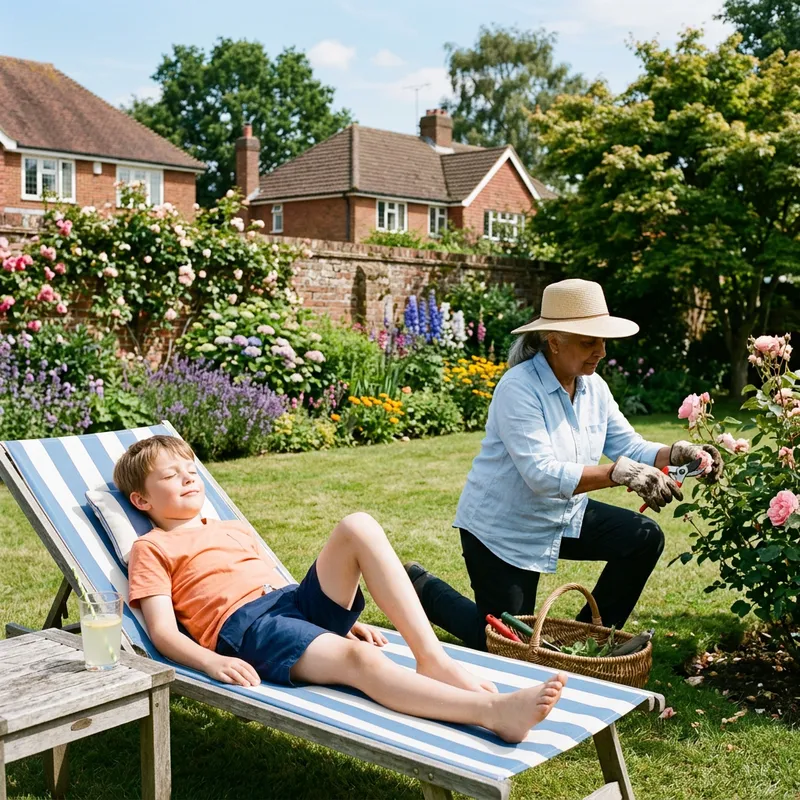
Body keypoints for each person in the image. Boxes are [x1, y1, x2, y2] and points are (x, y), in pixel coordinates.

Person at [119, 434, 568, 744]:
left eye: (190, 468)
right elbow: (162, 632)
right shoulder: (151, 547)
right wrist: (212, 661)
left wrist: (332, 625)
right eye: (171, 475)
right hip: (248, 629)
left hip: (288, 602)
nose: (188, 477)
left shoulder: (232, 527)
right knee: (361, 660)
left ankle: (432, 659)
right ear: (142, 501)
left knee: (358, 526)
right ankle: (494, 715)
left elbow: (274, 581)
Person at [406, 279, 724, 651]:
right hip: (504, 529)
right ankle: (422, 588)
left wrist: (679, 452)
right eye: (589, 342)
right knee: (511, 647)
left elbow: (630, 445)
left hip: (561, 515)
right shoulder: (518, 388)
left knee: (643, 537)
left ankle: (586, 642)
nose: (601, 352)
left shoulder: (594, 388)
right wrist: (616, 473)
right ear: (554, 341)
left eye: (603, 341)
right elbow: (541, 475)